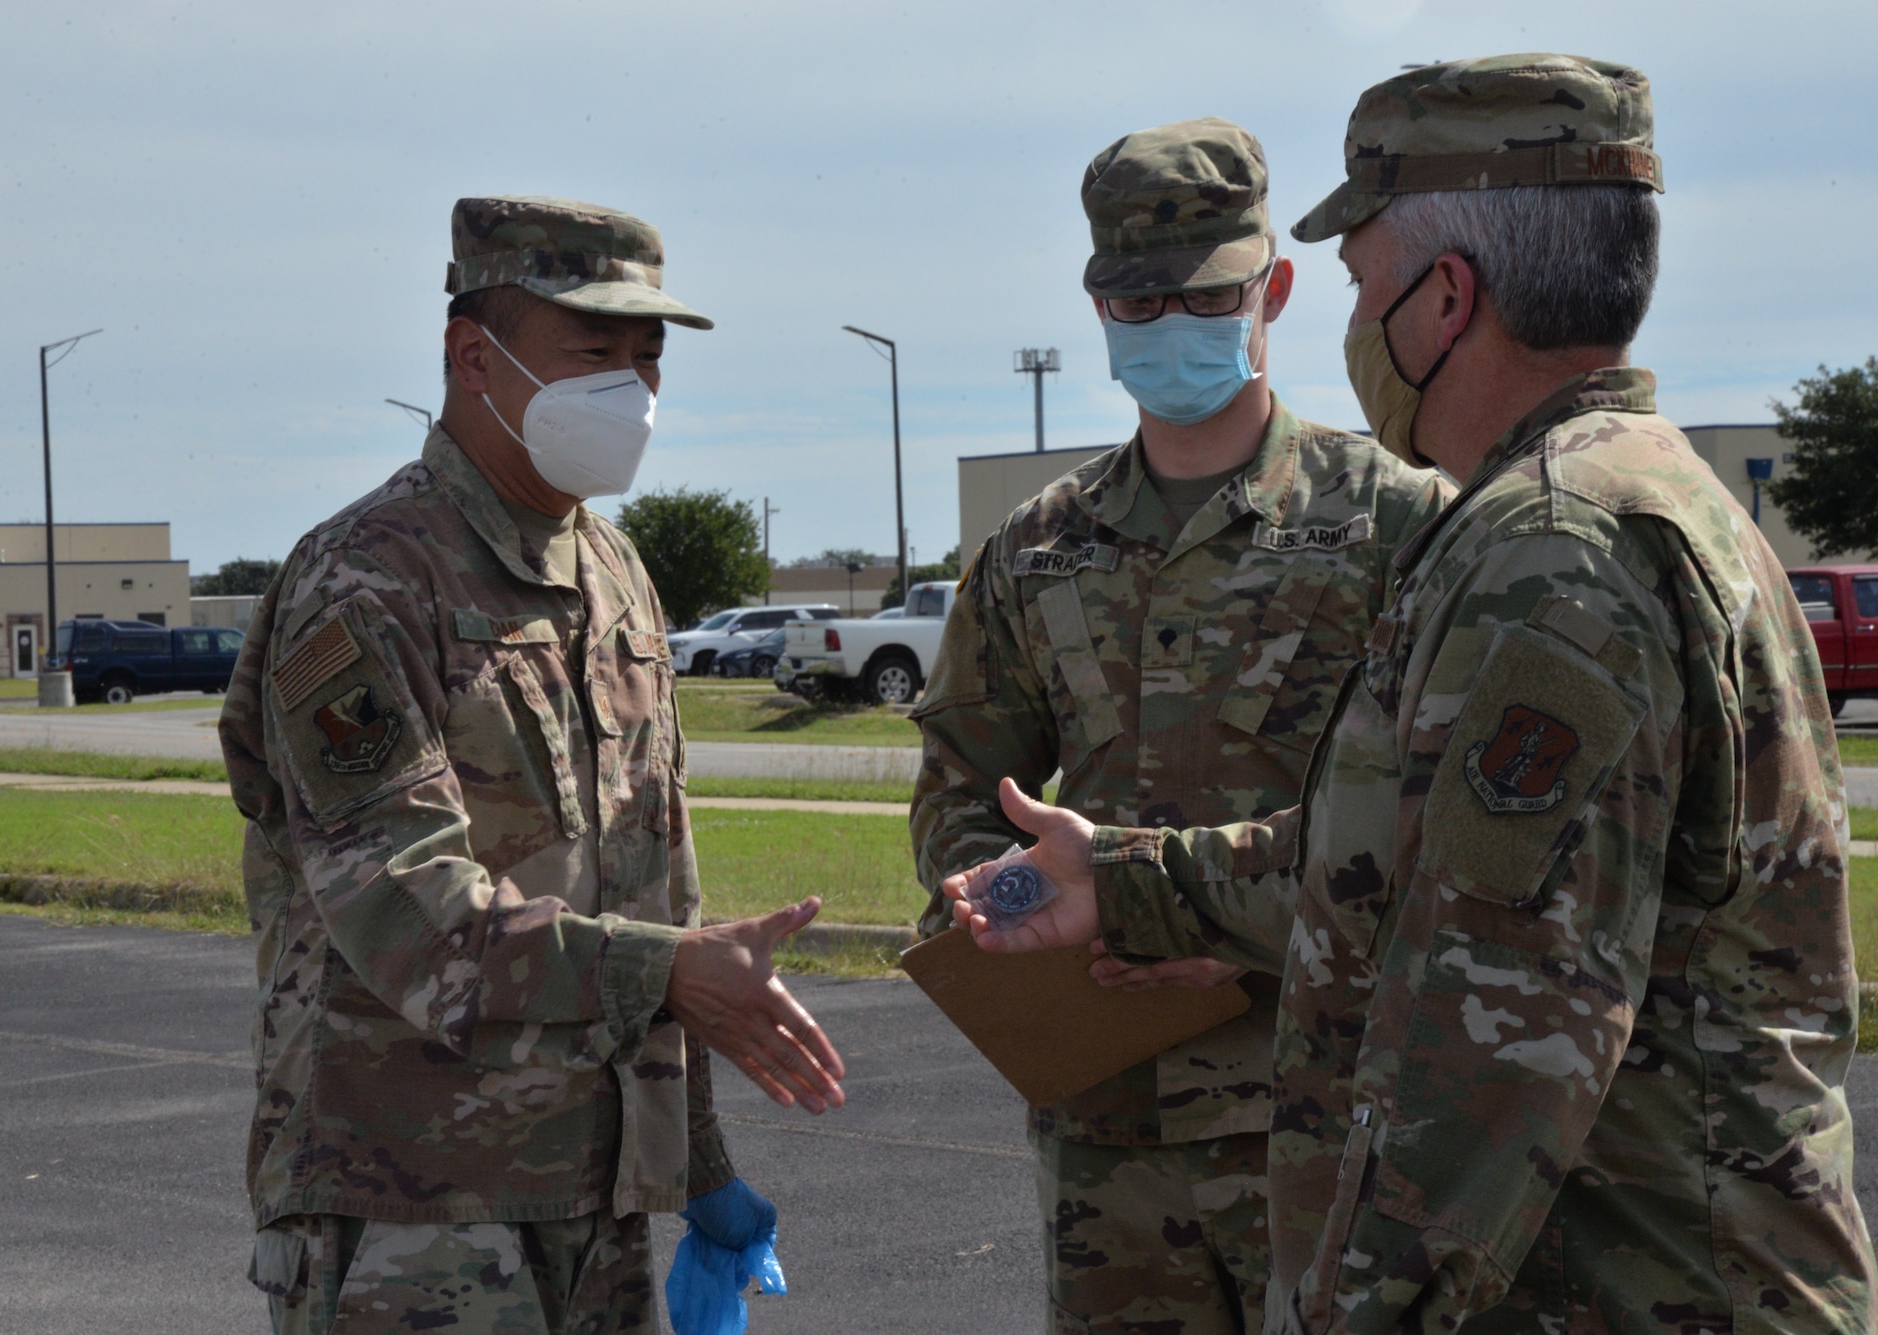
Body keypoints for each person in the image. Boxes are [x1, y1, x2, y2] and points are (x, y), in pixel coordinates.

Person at [944, 55, 1878, 1332]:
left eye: (1357, 281)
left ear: (1444, 297)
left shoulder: (1551, 550)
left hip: (1630, 1281)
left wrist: (1352, 1309)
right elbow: (1411, 861)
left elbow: (1497, 1034)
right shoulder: (1606, 500)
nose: (1351, 321)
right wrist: (1128, 884)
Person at [220, 195, 845, 1334]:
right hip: (407, 1208)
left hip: (594, 1195)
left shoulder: (612, 570)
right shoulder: (363, 584)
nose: (631, 391)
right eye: (593, 353)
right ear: (474, 355)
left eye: (647, 359)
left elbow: (661, 878)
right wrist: (662, 972)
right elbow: (400, 901)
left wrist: (697, 1163)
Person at [910, 118, 1448, 1334]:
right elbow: (956, 786)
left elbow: (1432, 816)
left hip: (1323, 1108)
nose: (1168, 331)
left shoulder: (1400, 521)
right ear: (1098, 310)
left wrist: (1224, 924)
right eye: (1136, 307)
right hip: (1107, 1121)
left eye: (1204, 300)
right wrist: (1005, 915)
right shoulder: (1037, 545)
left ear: (1275, 290)